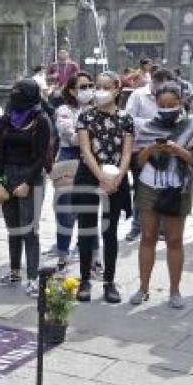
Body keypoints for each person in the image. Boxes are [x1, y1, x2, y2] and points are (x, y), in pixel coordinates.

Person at [131, 83, 193, 308]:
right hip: (148, 186)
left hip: (178, 188)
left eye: (171, 105)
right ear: (156, 104)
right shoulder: (147, 128)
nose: (167, 109)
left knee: (175, 240)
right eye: (162, 105)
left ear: (180, 103)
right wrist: (150, 150)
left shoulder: (192, 127)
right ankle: (143, 288)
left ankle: (175, 291)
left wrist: (179, 151)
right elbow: (136, 162)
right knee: (147, 237)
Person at [73, 72, 134, 303]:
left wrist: (117, 177)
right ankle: (85, 279)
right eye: (97, 86)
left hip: (116, 176)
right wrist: (101, 177)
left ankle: (109, 281)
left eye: (105, 87)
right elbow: (85, 150)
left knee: (110, 231)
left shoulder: (126, 118)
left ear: (117, 90)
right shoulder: (85, 116)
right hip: (89, 175)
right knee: (86, 229)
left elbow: (127, 152)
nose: (99, 91)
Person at [0, 79, 51, 298]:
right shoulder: (7, 119)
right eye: (13, 90)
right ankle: (14, 271)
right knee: (13, 227)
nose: (15, 95)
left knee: (29, 229)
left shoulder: (41, 120)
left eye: (20, 92)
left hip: (31, 177)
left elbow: (42, 156)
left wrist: (27, 183)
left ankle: (33, 278)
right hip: (7, 173)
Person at [52, 72, 95, 271]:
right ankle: (62, 254)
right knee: (66, 212)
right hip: (69, 160)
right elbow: (70, 137)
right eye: (83, 87)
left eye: (90, 85)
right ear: (71, 90)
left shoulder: (97, 109)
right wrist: (93, 135)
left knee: (90, 210)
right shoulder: (64, 110)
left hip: (92, 161)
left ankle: (92, 256)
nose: (88, 90)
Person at [125, 69, 172, 241]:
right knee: (140, 188)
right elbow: (128, 118)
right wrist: (152, 124)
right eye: (160, 85)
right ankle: (137, 227)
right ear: (153, 81)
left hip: (162, 151)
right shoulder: (138, 95)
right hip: (140, 150)